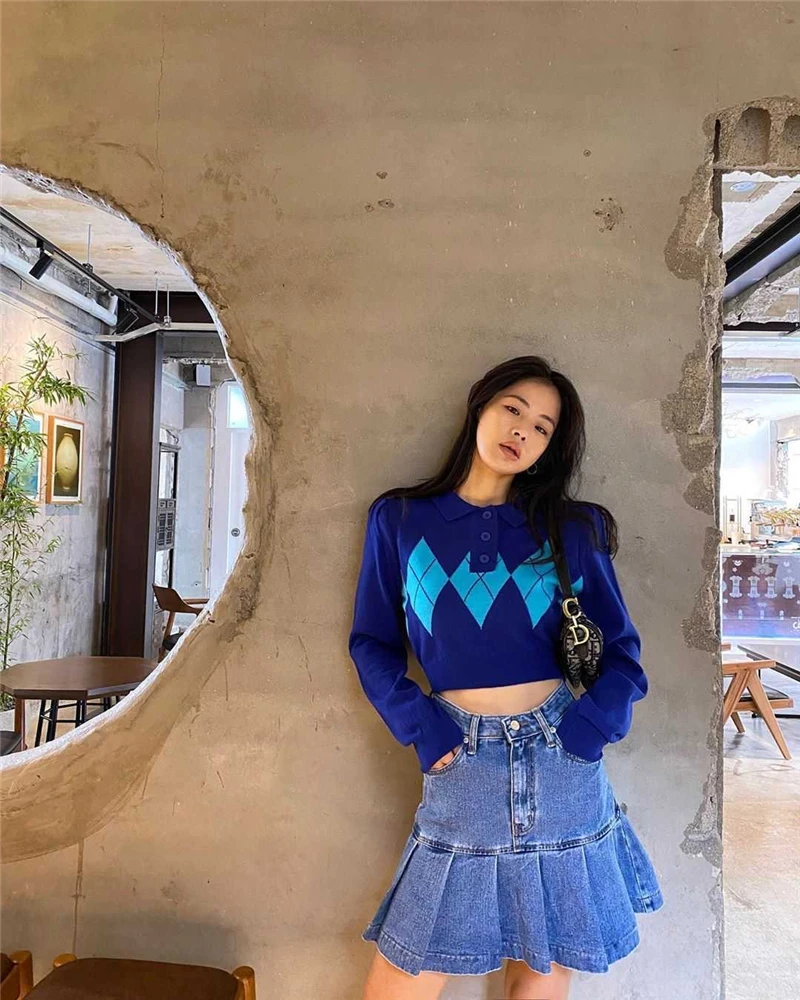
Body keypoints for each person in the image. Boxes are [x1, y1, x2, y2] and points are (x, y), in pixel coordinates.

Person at [348, 355, 663, 1000]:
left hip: (562, 758)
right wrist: (424, 729)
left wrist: (587, 731)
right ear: (480, 406)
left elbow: (623, 655)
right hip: (460, 759)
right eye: (513, 409)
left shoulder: (572, 530)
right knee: (402, 974)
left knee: (543, 963)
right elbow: (372, 643)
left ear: (549, 448)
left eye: (542, 427)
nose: (523, 430)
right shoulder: (401, 519)